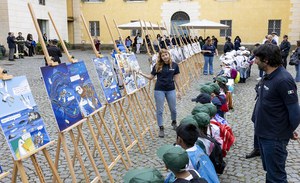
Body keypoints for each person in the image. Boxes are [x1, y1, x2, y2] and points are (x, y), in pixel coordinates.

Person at [251, 43, 300, 182]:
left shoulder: (283, 80)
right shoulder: (268, 75)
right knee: (270, 172)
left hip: (274, 137)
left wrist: (287, 131)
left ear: (266, 60)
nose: (255, 61)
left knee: (276, 177)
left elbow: (295, 112)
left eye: (257, 58)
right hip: (263, 133)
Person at [138, 49, 181, 137]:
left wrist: (179, 90)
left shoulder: (175, 65)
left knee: (173, 109)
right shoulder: (157, 66)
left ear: (169, 55)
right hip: (159, 90)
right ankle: (161, 127)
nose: (165, 56)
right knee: (159, 110)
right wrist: (141, 73)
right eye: (163, 55)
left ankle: (174, 122)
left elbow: (176, 78)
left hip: (171, 89)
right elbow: (151, 77)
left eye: (166, 54)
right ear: (161, 57)